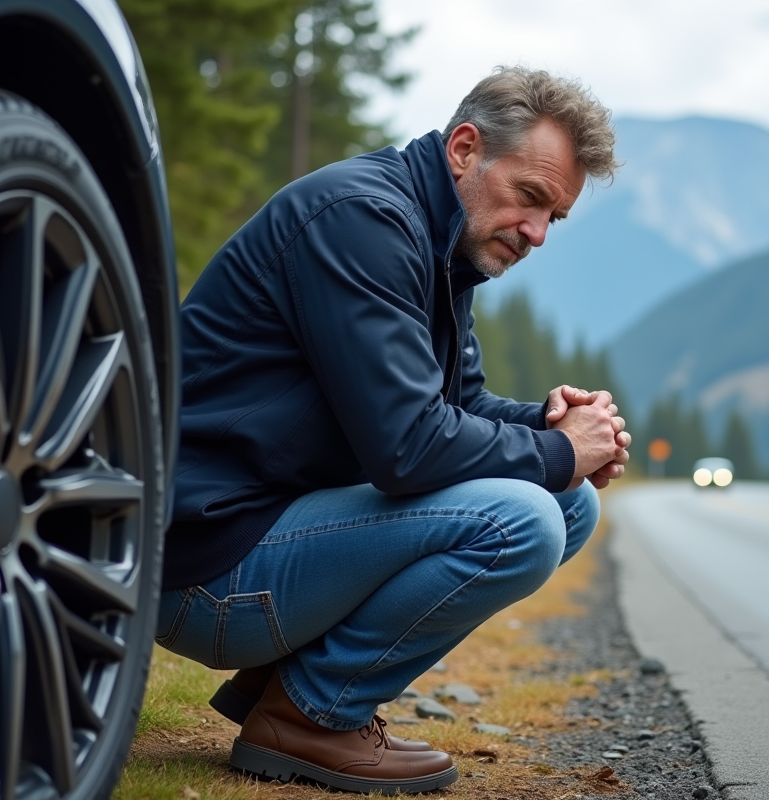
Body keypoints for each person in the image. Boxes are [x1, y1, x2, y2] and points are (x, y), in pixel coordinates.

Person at [153, 66, 628, 795]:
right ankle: (311, 714)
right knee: (526, 519)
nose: (536, 234)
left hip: (265, 531)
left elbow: (459, 407)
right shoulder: (363, 221)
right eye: (530, 197)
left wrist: (546, 423)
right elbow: (408, 448)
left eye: (553, 218)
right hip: (205, 563)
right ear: (465, 150)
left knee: (570, 504)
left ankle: (284, 684)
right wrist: (560, 451)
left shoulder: (437, 242)